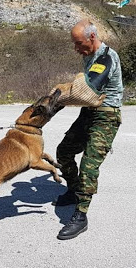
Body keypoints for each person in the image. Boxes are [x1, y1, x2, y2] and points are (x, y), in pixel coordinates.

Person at [52, 20, 123, 240]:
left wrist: (56, 97)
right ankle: (74, 190)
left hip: (106, 116)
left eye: (78, 43)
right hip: (89, 112)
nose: (76, 48)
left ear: (92, 38)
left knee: (89, 165)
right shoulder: (87, 56)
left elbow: (86, 90)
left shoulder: (106, 58)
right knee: (64, 152)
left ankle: (81, 216)